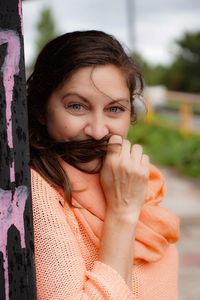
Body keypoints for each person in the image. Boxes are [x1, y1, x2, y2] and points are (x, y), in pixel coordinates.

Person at [27, 30, 180, 300]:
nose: (98, 131)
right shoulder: (40, 191)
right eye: (76, 106)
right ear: (41, 109)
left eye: (114, 109)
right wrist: (122, 213)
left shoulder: (132, 178)